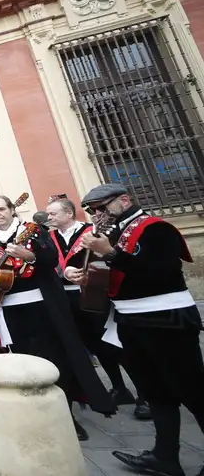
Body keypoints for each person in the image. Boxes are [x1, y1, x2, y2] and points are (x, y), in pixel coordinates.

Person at [0, 195, 115, 441]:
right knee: (25, 365)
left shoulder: (32, 232)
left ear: (12, 210)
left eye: (2, 209)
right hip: (9, 312)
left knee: (57, 360)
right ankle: (38, 413)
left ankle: (67, 415)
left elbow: (50, 259)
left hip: (43, 308)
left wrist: (29, 255)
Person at [78, 184, 202, 476]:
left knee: (192, 390)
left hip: (167, 320)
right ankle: (165, 457)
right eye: (92, 211)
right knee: (156, 392)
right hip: (130, 322)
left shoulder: (157, 229)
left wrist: (110, 254)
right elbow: (109, 275)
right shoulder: (111, 235)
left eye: (101, 207)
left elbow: (158, 271)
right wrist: (80, 271)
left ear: (124, 200)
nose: (97, 214)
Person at [46, 196, 138, 407]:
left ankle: (143, 393)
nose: (49, 217)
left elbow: (106, 257)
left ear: (69, 213)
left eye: (53, 213)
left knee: (113, 342)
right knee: (92, 344)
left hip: (94, 292)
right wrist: (65, 271)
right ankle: (119, 388)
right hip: (65, 297)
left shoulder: (91, 231)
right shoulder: (50, 237)